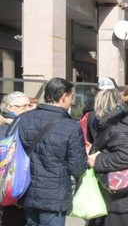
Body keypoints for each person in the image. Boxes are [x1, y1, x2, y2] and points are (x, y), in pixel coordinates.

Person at [18, 77, 87, 226]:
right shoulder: (71, 126)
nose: (72, 101)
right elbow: (78, 167)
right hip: (55, 194)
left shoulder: (25, 119)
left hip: (27, 190)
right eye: (71, 97)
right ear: (64, 97)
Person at [87, 88, 128, 226]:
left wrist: (97, 160)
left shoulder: (116, 126)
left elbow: (127, 155)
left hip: (120, 195)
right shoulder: (121, 123)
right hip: (125, 193)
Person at [0, 91, 31, 225]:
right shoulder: (10, 127)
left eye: (29, 105)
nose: (28, 109)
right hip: (11, 183)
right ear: (9, 107)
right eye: (23, 106)